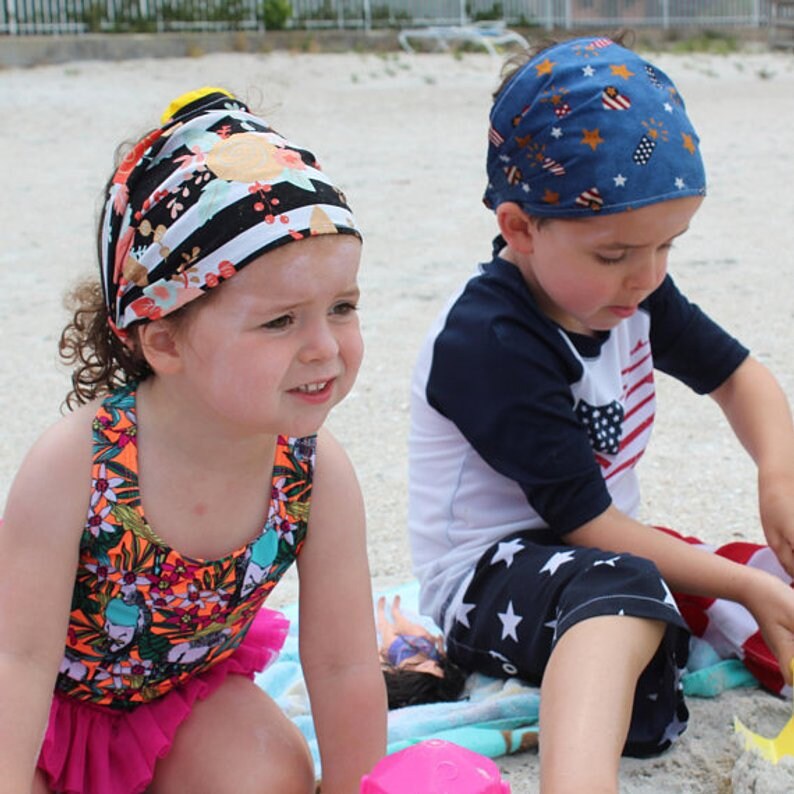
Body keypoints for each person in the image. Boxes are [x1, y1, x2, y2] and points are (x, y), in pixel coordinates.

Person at [407, 35, 794, 794]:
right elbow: (585, 522)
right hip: (492, 578)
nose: (645, 276)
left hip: (604, 555)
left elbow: (741, 377)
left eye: (667, 247)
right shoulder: (490, 338)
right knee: (632, 597)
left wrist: (777, 476)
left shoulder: (633, 292)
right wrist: (743, 590)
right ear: (520, 228)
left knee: (760, 566)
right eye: (614, 253)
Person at [0, 86, 387, 794]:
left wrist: (363, 788)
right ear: (165, 340)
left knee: (271, 775)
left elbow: (343, 666)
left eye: (342, 307)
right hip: (36, 716)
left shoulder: (312, 475)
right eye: (281, 322)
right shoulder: (77, 464)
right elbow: (17, 661)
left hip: (173, 703)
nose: (325, 347)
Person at [377, 595, 467, 709]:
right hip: (425, 649)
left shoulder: (403, 671)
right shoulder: (435, 663)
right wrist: (439, 645)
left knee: (388, 634)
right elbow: (443, 657)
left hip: (399, 651)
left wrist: (380, 654)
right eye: (436, 667)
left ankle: (382, 619)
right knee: (418, 632)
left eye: (427, 669)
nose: (432, 664)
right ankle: (397, 615)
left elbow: (383, 665)